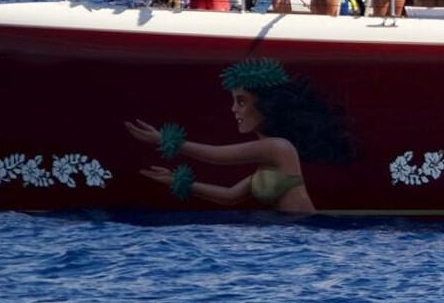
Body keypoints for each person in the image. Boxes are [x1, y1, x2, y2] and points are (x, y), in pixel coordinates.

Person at [126, 58, 350, 215]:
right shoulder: (267, 164)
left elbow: (217, 156)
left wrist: (163, 140)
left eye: (241, 101)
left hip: (304, 235)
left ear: (265, 104)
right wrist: (175, 180)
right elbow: (229, 196)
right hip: (286, 238)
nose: (234, 109)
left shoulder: (278, 148)